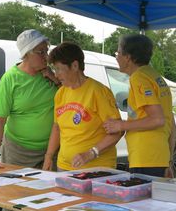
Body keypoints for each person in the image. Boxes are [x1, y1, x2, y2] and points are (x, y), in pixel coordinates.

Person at [0, 29, 60, 170]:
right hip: (18, 151)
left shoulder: (51, 75)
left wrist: (55, 79)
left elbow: (71, 96)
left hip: (50, 150)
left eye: (46, 51)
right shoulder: (11, 78)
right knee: (17, 191)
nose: (46, 57)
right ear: (26, 54)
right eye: (41, 52)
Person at [42, 42, 124, 171]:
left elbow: (117, 131)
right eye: (54, 69)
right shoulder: (60, 93)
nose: (56, 75)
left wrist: (91, 153)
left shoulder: (98, 92)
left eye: (58, 69)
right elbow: (57, 128)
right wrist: (48, 156)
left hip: (96, 169)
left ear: (75, 65)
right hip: (64, 167)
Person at [103, 34, 175, 177]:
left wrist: (120, 125)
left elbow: (157, 119)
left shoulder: (139, 78)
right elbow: (171, 123)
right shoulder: (155, 76)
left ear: (128, 57)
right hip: (158, 156)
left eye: (118, 53)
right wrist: (169, 159)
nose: (116, 57)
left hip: (146, 158)